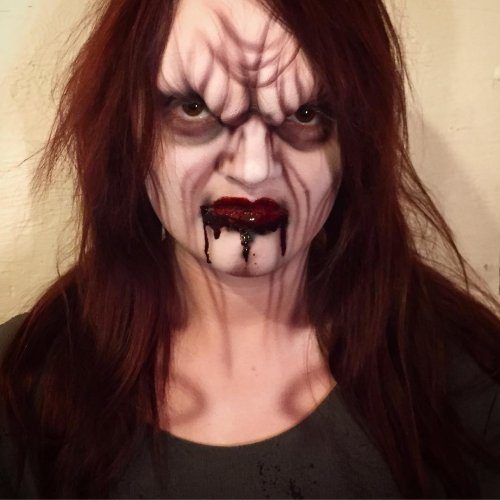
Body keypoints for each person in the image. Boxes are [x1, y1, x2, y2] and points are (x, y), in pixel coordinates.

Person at [1, 0, 499, 497]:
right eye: (194, 107)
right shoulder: (19, 386)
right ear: (128, 127)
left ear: (355, 141)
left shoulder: (468, 382)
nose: (254, 169)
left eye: (305, 113)